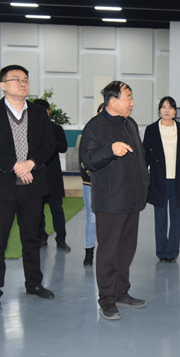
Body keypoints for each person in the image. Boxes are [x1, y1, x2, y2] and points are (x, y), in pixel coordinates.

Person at [0, 64, 56, 310]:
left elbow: (48, 144)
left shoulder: (38, 113)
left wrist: (30, 163)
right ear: (3, 85)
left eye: (25, 79)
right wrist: (15, 165)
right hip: (2, 188)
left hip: (32, 186)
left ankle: (34, 283)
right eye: (16, 79)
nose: (23, 83)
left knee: (31, 239)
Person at [79, 81, 149, 320]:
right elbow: (88, 160)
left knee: (126, 249)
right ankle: (107, 299)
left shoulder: (130, 124)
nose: (132, 103)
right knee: (108, 252)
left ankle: (121, 292)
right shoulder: (95, 126)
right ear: (113, 101)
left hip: (131, 199)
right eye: (128, 97)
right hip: (110, 201)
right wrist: (110, 149)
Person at [142, 96, 180, 263]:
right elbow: (144, 155)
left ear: (175, 111)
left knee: (176, 219)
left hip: (178, 181)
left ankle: (173, 252)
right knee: (160, 219)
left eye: (170, 107)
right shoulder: (151, 129)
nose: (167, 110)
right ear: (159, 110)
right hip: (158, 181)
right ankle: (162, 252)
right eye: (163, 107)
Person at [34, 98, 71, 252]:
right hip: (36, 176)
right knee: (38, 211)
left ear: (48, 112)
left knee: (57, 210)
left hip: (53, 176)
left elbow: (63, 148)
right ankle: (41, 238)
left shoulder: (56, 129)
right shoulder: (30, 130)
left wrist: (50, 141)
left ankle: (61, 239)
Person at [80, 104, 103, 267]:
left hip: (109, 185)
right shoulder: (89, 132)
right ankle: (89, 252)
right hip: (90, 183)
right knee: (92, 218)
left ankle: (106, 252)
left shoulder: (116, 132)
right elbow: (83, 159)